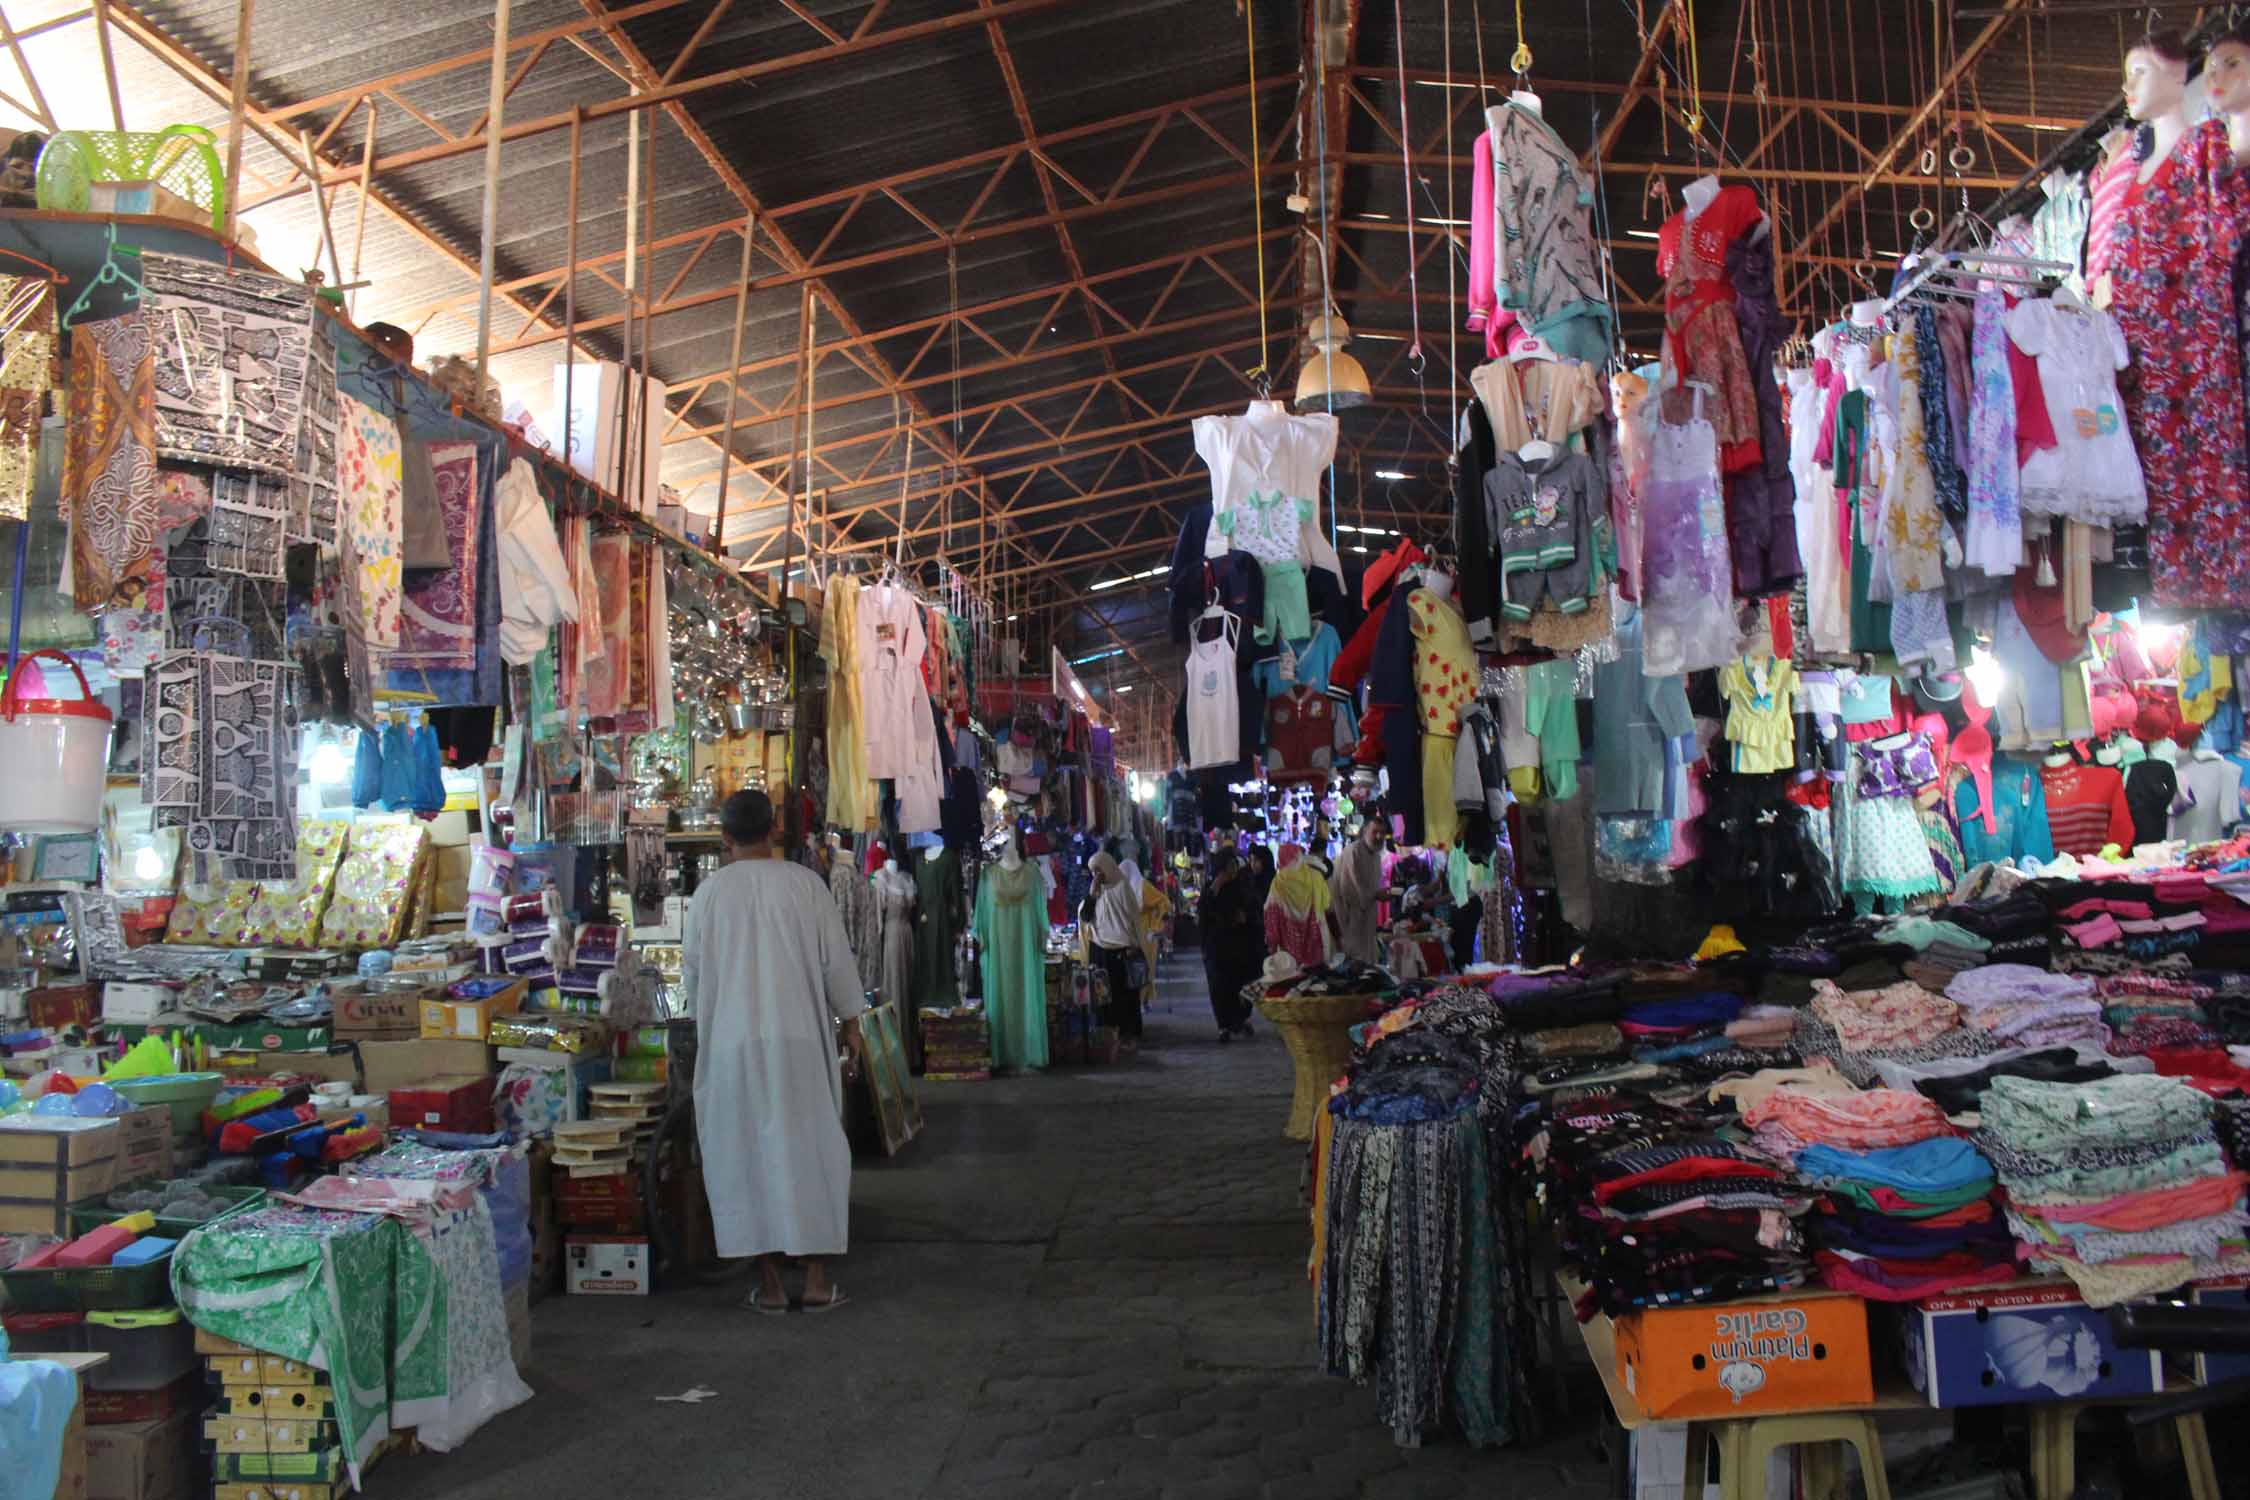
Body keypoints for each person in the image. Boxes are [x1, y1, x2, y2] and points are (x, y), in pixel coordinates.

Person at [680, 789, 867, 1315]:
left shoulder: (709, 896)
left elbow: (694, 982)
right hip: (800, 1043)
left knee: (745, 1156)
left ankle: (768, 1283)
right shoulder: (806, 886)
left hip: (734, 1046)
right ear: (775, 830)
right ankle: (813, 1277)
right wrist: (852, 1026)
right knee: (810, 1150)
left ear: (723, 837)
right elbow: (838, 966)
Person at [1199, 848, 1260, 1040]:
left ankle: (1240, 1020)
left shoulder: (1243, 886)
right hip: (1218, 948)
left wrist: (1246, 918)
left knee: (1240, 984)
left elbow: (1255, 910)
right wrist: (1215, 889)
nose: (1233, 870)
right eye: (1229, 866)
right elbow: (1204, 917)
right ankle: (1223, 1025)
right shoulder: (1211, 889)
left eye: (1235, 865)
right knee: (1219, 986)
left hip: (1240, 946)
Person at [1088, 851, 1146, 1050]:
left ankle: (1128, 1034)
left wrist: (1135, 945)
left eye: (1099, 869)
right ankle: (1108, 1035)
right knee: (1104, 996)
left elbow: (1134, 920)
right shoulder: (1096, 890)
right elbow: (1087, 917)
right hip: (1100, 949)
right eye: (1093, 871)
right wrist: (1092, 894)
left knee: (1124, 996)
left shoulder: (1122, 887)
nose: (1097, 874)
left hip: (1122, 950)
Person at [1331, 815, 1388, 964]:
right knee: (1355, 961)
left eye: (1382, 833)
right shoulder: (1353, 851)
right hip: (1351, 916)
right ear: (1364, 832)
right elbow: (1350, 889)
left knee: (1368, 960)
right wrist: (1376, 895)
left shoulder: (1376, 856)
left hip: (1367, 916)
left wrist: (1380, 894)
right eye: (1375, 832)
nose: (1379, 836)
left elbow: (1372, 887)